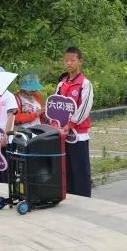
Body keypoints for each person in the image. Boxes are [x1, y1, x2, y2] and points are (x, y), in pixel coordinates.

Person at [54, 47, 94, 197]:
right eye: (66, 60)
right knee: (67, 169)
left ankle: (84, 200)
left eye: (72, 60)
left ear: (80, 61)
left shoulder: (85, 84)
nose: (69, 63)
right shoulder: (61, 84)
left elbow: (84, 109)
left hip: (79, 135)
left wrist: (70, 125)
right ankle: (69, 197)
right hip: (62, 134)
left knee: (81, 171)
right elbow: (54, 106)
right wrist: (55, 125)